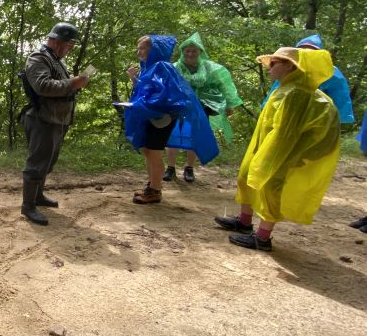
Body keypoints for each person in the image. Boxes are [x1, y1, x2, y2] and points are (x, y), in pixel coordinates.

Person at [215, 47, 341, 251]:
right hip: (266, 144)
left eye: (274, 63)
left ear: (290, 66)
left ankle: (263, 238)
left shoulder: (297, 93)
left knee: (270, 185)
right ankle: (244, 222)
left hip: (288, 150)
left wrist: (271, 158)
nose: (268, 67)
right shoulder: (284, 88)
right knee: (246, 176)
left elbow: (285, 134)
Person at [122, 35, 218, 204]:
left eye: (143, 48)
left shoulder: (162, 67)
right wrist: (134, 80)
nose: (139, 52)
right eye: (138, 49)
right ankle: (151, 185)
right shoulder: (150, 67)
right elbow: (147, 90)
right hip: (152, 116)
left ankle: (155, 190)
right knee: (148, 151)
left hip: (161, 118)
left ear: (154, 49)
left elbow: (167, 95)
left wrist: (142, 105)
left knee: (154, 153)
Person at [19, 22, 89, 225]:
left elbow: (61, 86)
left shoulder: (56, 60)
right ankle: (28, 206)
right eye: (70, 45)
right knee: (36, 164)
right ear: (58, 42)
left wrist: (76, 84)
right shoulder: (38, 58)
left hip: (57, 118)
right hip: (42, 119)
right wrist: (73, 82)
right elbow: (42, 86)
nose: (71, 49)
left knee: (48, 162)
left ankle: (38, 196)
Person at [163, 32, 243, 183]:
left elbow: (224, 85)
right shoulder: (174, 68)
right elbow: (165, 86)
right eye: (187, 50)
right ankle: (170, 168)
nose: (190, 53)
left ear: (200, 52)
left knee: (195, 136)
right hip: (178, 106)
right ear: (182, 52)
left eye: (194, 51)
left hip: (201, 107)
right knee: (173, 135)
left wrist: (230, 104)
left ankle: (189, 168)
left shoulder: (210, 68)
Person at [261, 34, 355, 124]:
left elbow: (340, 106)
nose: (306, 53)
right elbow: (271, 101)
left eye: (310, 51)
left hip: (316, 123)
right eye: (302, 50)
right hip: (284, 118)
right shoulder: (288, 71)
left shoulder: (331, 72)